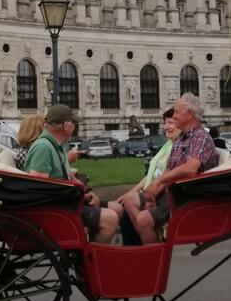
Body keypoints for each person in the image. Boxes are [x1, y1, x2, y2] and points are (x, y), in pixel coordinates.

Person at [25, 104, 119, 243]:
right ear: (66, 125)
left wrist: (83, 194)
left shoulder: (53, 145)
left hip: (61, 204)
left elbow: (63, 177)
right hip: (57, 210)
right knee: (111, 219)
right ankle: (93, 255)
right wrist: (78, 196)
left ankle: (92, 250)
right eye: (74, 123)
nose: (75, 126)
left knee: (116, 209)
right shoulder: (43, 147)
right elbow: (40, 188)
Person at [140, 94, 219, 242]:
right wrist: (154, 191)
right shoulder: (182, 138)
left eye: (176, 112)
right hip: (175, 192)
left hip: (189, 197)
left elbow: (190, 169)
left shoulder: (200, 137)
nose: (174, 116)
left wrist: (157, 183)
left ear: (189, 114)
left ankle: (154, 254)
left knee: (143, 220)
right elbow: (171, 170)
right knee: (133, 206)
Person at [119, 109, 178, 243]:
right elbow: (152, 174)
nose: (165, 127)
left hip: (162, 193)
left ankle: (147, 241)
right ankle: (142, 239)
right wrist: (132, 191)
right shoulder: (168, 144)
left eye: (170, 123)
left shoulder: (177, 147)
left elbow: (167, 177)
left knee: (134, 217)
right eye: (165, 123)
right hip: (154, 189)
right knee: (126, 201)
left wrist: (150, 198)